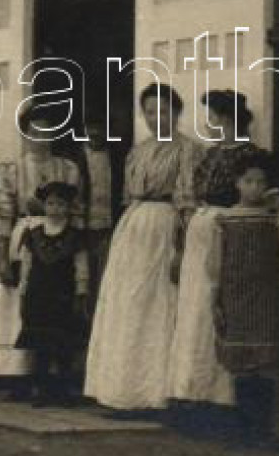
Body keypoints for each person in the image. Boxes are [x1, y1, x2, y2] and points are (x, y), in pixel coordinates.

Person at [83, 82, 200, 412]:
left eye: (163, 111)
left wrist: (183, 245)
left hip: (166, 226)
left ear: (176, 113)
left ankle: (155, 393)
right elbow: (127, 194)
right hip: (133, 229)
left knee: (158, 304)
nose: (156, 118)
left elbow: (188, 201)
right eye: (149, 112)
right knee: (128, 304)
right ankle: (121, 390)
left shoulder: (188, 150)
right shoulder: (139, 150)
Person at [167, 90, 266, 411]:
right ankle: (193, 392)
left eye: (212, 118)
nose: (209, 125)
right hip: (200, 232)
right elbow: (191, 194)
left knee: (219, 307)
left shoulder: (249, 156)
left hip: (228, 231)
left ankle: (221, 397)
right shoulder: (209, 155)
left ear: (226, 120)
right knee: (195, 310)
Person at [211, 149, 279, 448]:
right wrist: (216, 298)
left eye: (260, 182)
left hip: (268, 297)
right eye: (248, 181)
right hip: (235, 296)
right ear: (237, 183)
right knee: (241, 366)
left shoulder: (275, 219)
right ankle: (243, 432)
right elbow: (215, 263)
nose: (255, 187)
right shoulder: (224, 220)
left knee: (265, 364)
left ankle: (262, 432)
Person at [0, 107, 83, 381]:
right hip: (25, 239)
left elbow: (76, 210)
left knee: (53, 307)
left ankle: (54, 374)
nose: (41, 138)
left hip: (61, 240)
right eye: (34, 132)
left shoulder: (67, 168)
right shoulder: (13, 171)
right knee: (20, 302)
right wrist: (3, 259)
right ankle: (17, 372)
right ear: (26, 134)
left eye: (47, 131)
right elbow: (3, 215)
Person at [13, 180, 90, 406]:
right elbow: (26, 265)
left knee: (63, 345)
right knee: (41, 346)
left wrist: (81, 291)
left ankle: (63, 390)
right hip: (38, 294)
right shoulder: (33, 234)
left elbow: (81, 266)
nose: (55, 208)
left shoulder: (75, 236)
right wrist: (23, 291)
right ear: (44, 206)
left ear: (68, 207)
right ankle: (42, 389)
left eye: (60, 204)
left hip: (63, 295)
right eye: (50, 203)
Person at [79, 114, 118, 315]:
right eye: (91, 128)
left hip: (108, 226)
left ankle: (101, 321)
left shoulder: (116, 157)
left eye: (100, 128)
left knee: (105, 276)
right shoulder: (76, 158)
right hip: (83, 226)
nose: (95, 133)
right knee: (84, 275)